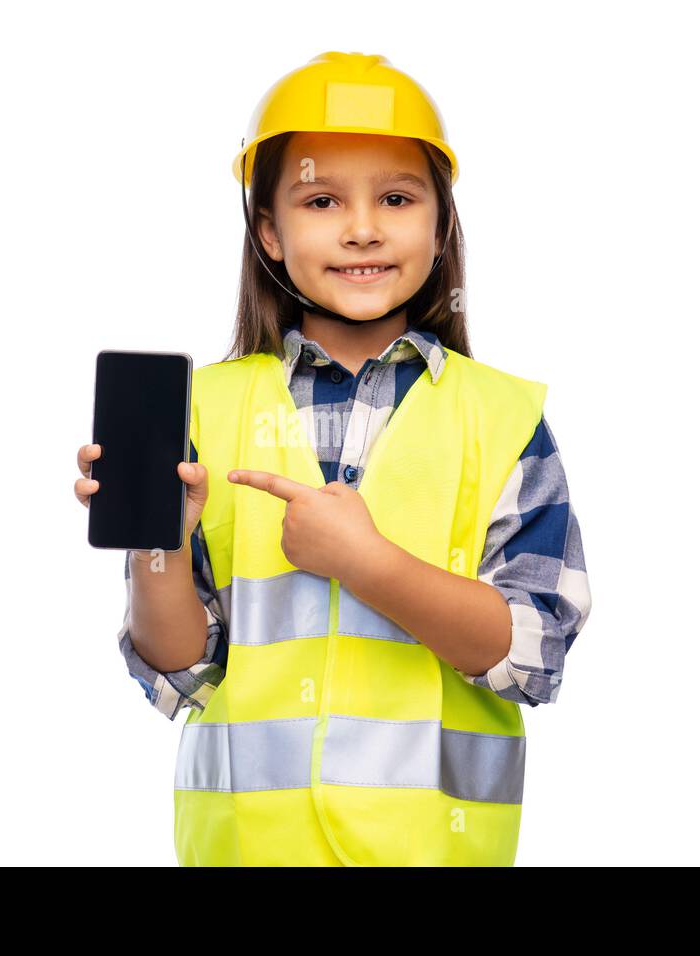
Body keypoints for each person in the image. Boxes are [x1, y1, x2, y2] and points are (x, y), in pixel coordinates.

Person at [74, 52, 592, 866]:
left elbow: (532, 654)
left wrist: (367, 562)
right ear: (270, 232)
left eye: (396, 197)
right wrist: (159, 546)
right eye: (321, 200)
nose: (362, 227)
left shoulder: (502, 418)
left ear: (440, 223)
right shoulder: (202, 411)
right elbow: (181, 673)